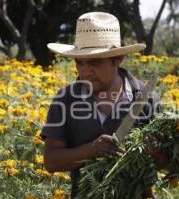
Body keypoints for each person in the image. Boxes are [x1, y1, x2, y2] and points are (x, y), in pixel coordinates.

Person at [41, 12, 165, 199]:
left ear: (118, 59)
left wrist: (154, 152)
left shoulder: (146, 99)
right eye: (79, 63)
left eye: (94, 63)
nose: (85, 72)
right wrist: (90, 150)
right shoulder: (65, 99)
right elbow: (51, 161)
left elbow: (166, 163)